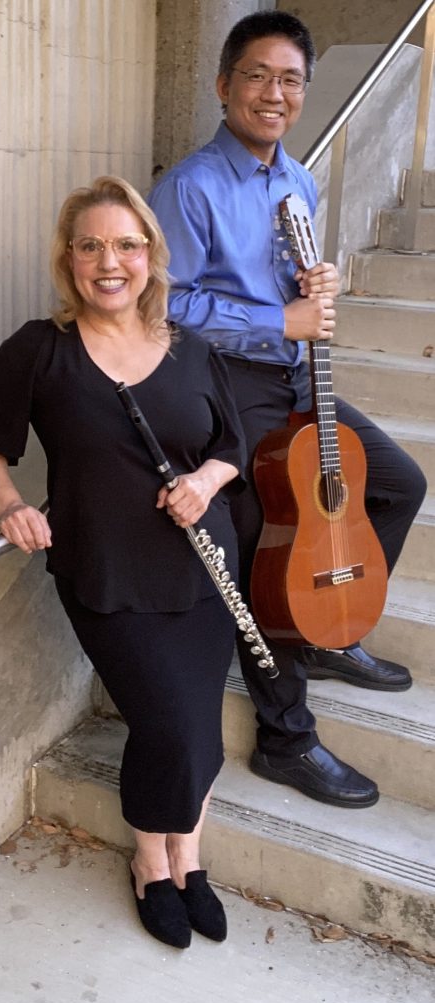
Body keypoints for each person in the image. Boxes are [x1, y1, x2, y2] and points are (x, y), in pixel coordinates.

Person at [147, 11, 427, 809]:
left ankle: (328, 624)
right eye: (259, 76)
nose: (276, 93)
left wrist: (317, 284)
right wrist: (279, 320)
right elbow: (162, 306)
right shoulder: (190, 187)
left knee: (398, 484)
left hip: (296, 377)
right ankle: (286, 738)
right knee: (281, 541)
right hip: (226, 384)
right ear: (223, 85)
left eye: (292, 80)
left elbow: (292, 287)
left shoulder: (297, 181)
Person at [0, 175, 245, 949]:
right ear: (68, 259)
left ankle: (188, 857)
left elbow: (232, 446)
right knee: (166, 723)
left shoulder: (191, 348)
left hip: (204, 568)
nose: (110, 261)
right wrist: (11, 506)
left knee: (201, 728)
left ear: (151, 254)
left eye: (127, 244)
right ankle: (150, 862)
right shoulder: (38, 349)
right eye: (90, 246)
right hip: (106, 575)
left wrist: (204, 481)